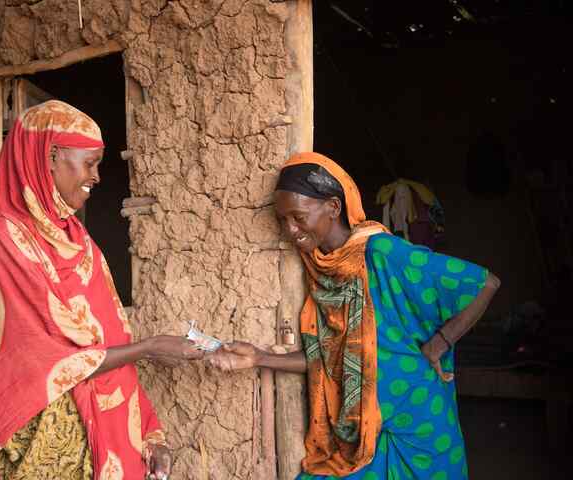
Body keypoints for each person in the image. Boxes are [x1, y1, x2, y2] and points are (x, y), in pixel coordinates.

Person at [208, 152, 500, 479]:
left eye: (298, 217)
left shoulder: (383, 253)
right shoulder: (323, 270)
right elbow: (327, 355)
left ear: (333, 207)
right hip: (361, 430)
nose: (290, 230)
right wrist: (259, 358)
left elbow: (484, 283)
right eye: (282, 220)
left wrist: (438, 345)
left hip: (418, 420)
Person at [0, 100, 203, 480]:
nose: (97, 176)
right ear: (51, 156)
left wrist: (148, 435)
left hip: (102, 435)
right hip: (41, 452)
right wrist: (150, 347)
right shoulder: (2, 237)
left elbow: (107, 337)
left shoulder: (77, 239)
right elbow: (50, 357)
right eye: (90, 163)